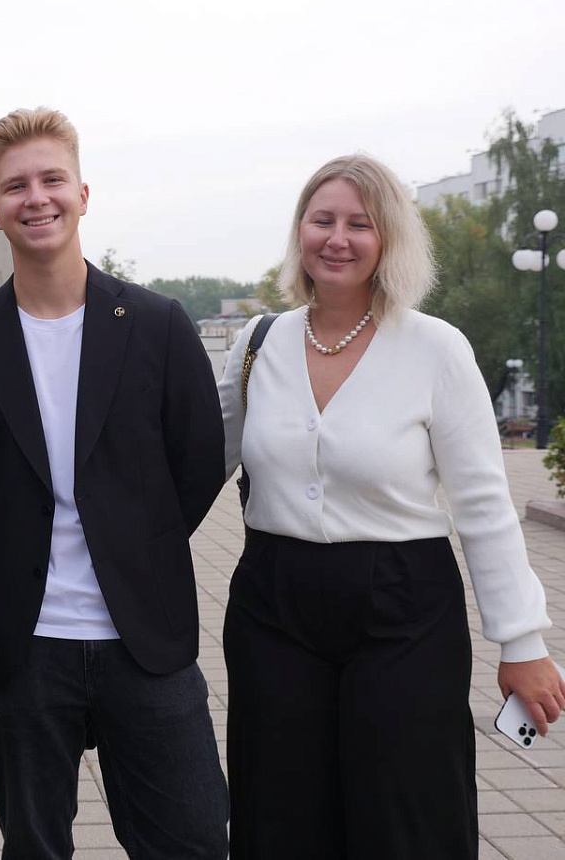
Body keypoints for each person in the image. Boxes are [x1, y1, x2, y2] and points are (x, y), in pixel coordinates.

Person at [218, 153, 564, 859]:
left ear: (389, 240)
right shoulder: (257, 345)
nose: (337, 238)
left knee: (405, 816)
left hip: (403, 609)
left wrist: (522, 642)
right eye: (322, 220)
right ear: (300, 230)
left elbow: (483, 504)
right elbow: (195, 464)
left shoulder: (436, 348)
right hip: (272, 607)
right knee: (279, 812)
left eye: (360, 224)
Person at [0, 107, 229, 859]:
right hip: (20, 647)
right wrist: (12, 545)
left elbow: (198, 461)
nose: (37, 198)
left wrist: (133, 542)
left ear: (83, 194)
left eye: (52, 179)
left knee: (192, 840)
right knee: (35, 848)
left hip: (144, 639)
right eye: (15, 186)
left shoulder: (157, 324)